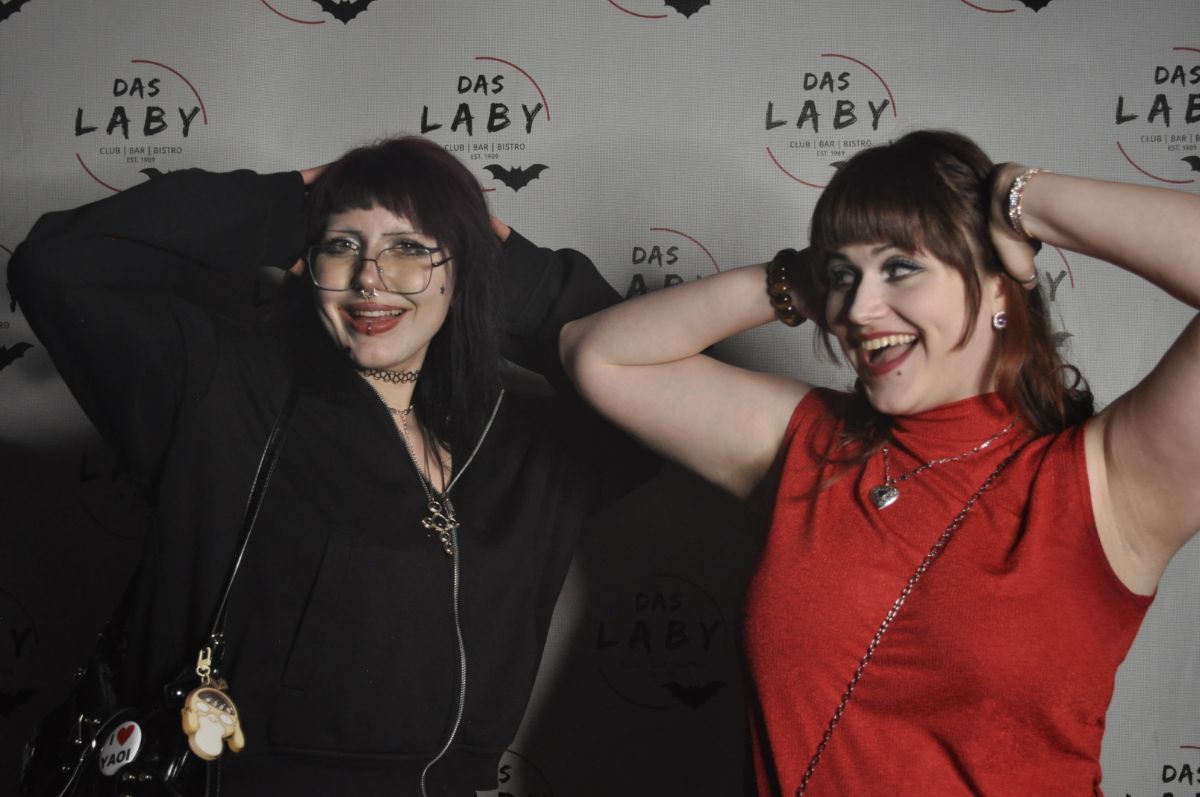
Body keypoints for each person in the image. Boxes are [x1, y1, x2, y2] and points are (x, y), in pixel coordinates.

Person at [560, 129, 1200, 794]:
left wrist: (1020, 198)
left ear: (998, 289)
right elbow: (597, 354)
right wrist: (795, 280)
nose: (860, 311)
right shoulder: (816, 448)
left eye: (900, 268)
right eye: (844, 276)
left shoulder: (1107, 482)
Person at [10, 135, 649, 796]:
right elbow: (55, 266)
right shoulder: (221, 390)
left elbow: (657, 386)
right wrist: (292, 199)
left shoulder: (514, 444)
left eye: (409, 248)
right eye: (342, 245)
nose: (369, 277)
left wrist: (513, 271)